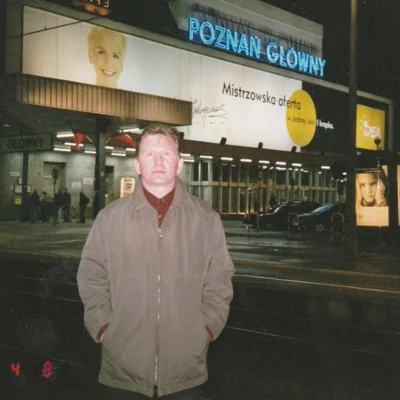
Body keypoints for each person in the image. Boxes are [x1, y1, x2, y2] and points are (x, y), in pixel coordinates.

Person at [77, 124, 234, 399]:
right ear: (138, 164)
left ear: (179, 163)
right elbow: (91, 274)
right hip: (123, 372)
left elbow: (219, 278)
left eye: (166, 154)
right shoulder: (110, 218)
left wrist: (206, 328)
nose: (158, 162)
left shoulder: (206, 220)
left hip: (185, 373)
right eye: (150, 154)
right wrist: (103, 327)